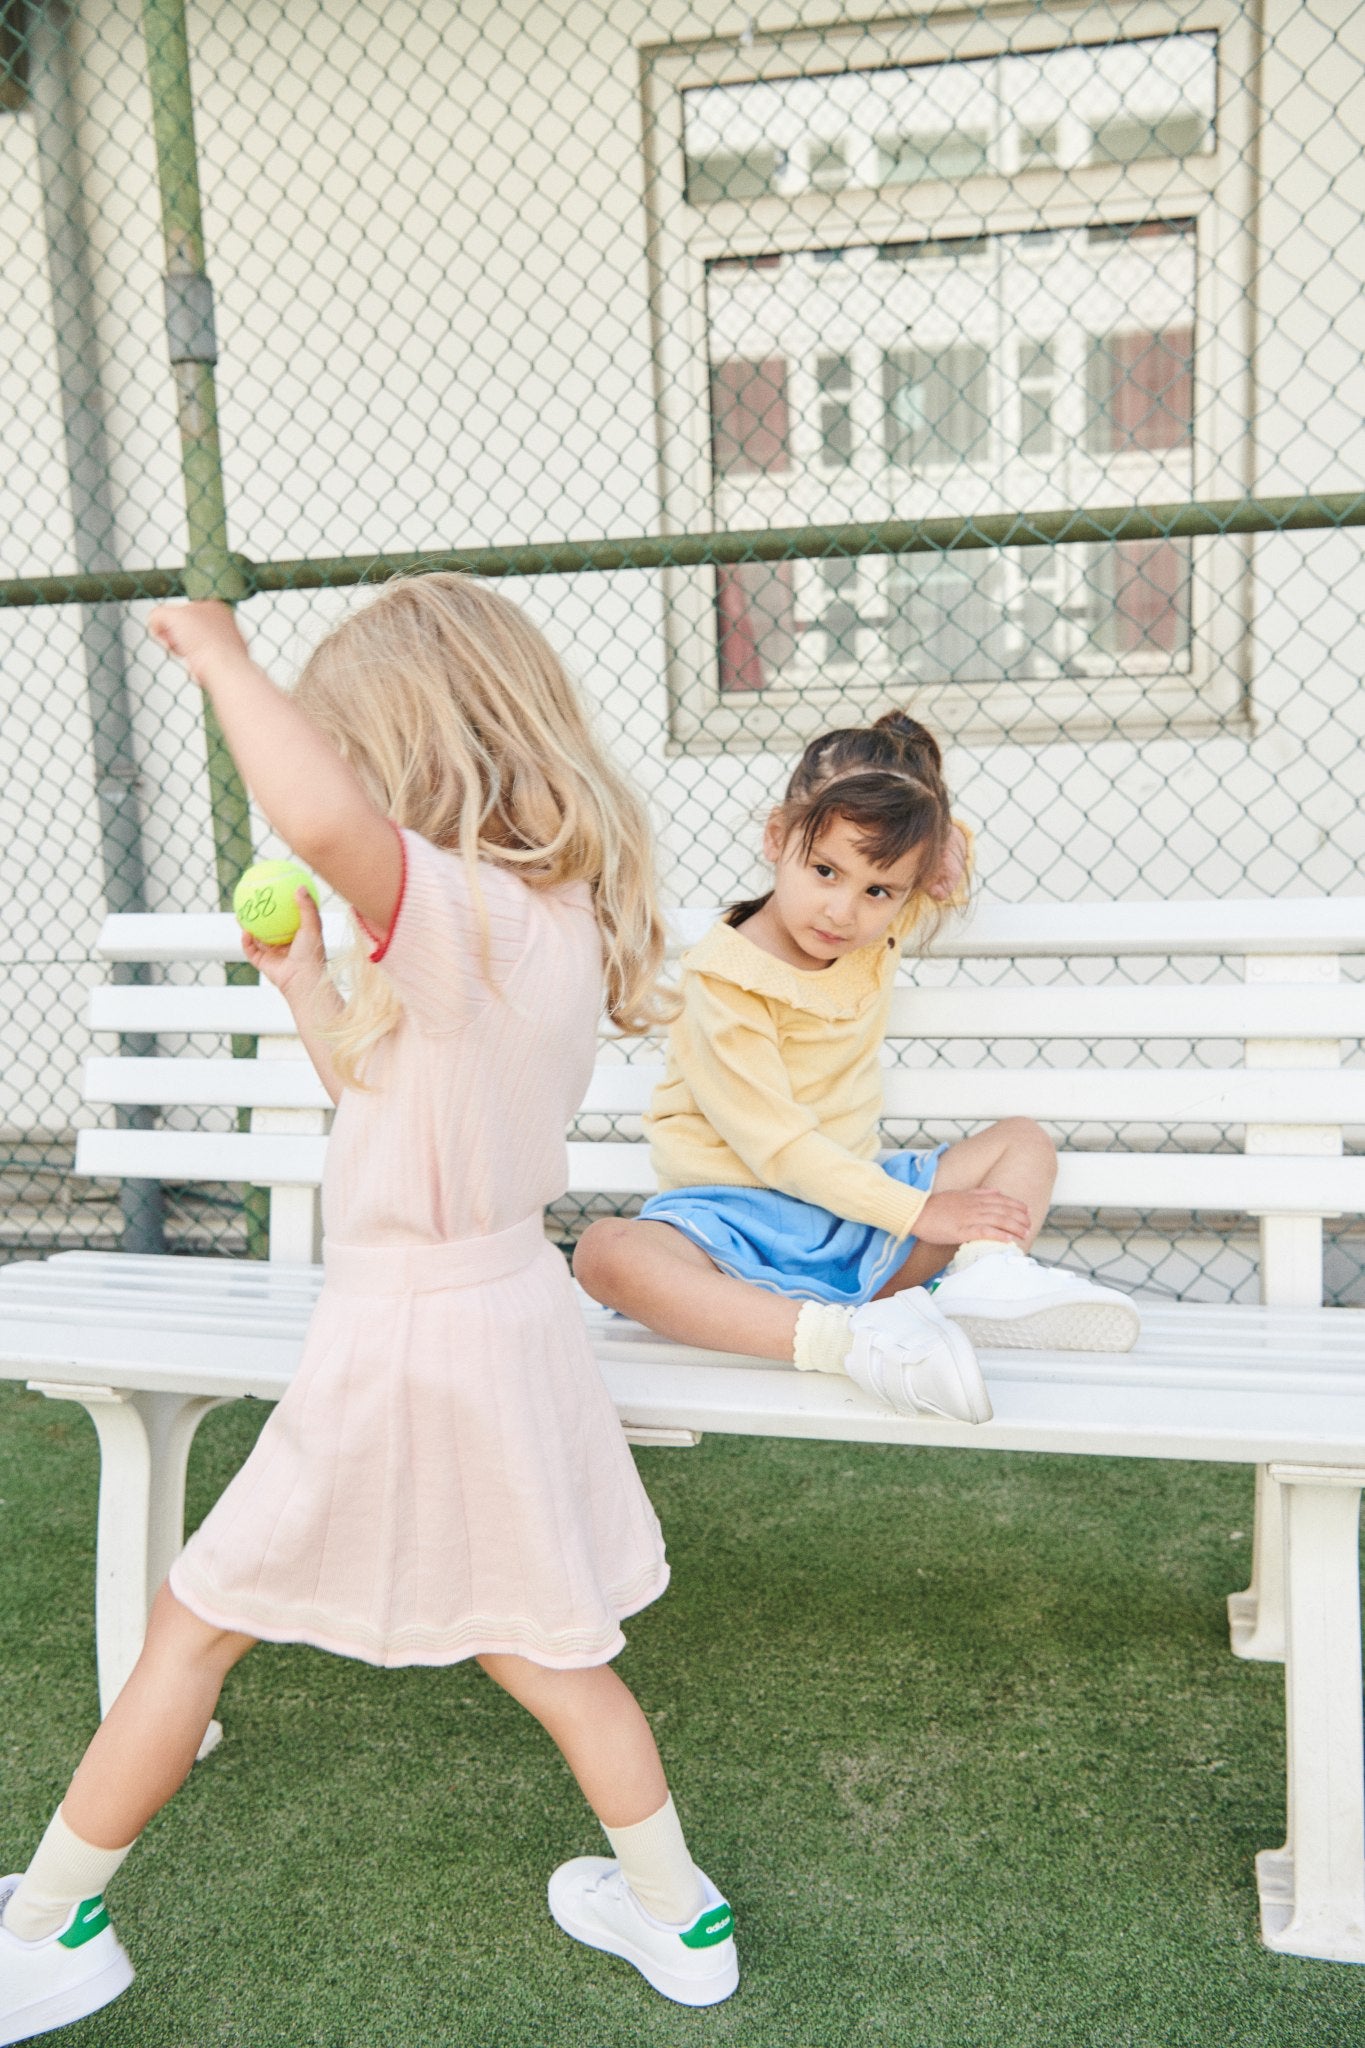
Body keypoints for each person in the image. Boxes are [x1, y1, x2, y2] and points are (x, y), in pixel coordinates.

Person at [0, 576, 739, 2044]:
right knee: (549, 1640)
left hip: (405, 1337)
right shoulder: (534, 923)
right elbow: (387, 1094)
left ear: (406, 756)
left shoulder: (456, 908)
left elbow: (330, 825)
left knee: (198, 1626)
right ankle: (680, 1914)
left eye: (349, 750)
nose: (331, 809)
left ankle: (45, 1932)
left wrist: (219, 657)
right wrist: (301, 983)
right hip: (501, 1317)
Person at [575, 713, 1139, 1423]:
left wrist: (936, 845)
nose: (842, 910)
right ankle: (844, 1342)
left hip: (861, 1219)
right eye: (824, 871)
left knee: (1021, 1141)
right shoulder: (725, 983)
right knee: (605, 1252)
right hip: (732, 1226)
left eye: (878, 889)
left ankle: (982, 1279)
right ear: (777, 837)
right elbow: (777, 1150)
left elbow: (942, 866)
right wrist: (919, 1210)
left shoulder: (876, 932)